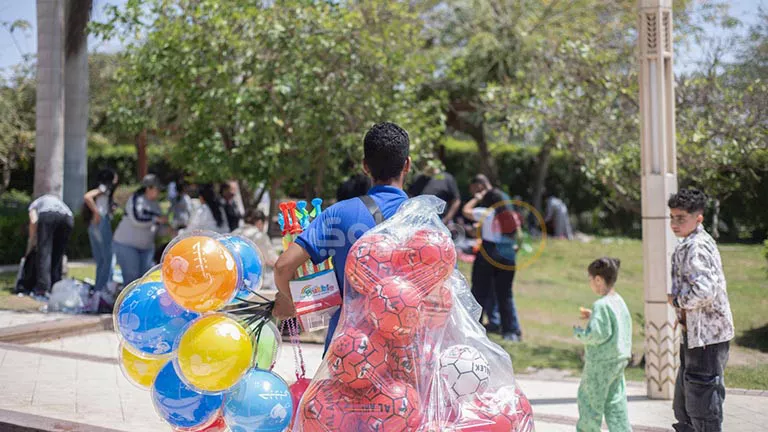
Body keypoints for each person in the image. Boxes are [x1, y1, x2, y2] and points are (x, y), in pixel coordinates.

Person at [272, 122, 412, 354]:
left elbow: (282, 267)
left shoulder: (339, 214)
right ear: (407, 164)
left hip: (348, 352)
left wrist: (292, 302)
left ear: (365, 166)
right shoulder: (425, 219)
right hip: (405, 352)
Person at [668, 188, 734, 432]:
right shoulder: (689, 243)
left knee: (702, 405)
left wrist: (677, 301)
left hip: (707, 339)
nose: (674, 223)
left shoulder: (696, 246)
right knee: (686, 405)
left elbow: (705, 292)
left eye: (681, 218)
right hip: (695, 336)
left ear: (699, 218)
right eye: (672, 217)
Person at [462, 174, 523, 341]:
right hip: (508, 253)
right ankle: (511, 331)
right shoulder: (510, 215)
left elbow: (466, 211)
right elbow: (518, 236)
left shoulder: (487, 213)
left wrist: (476, 199)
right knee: (505, 294)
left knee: (479, 291)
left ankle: (474, 325)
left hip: (489, 252)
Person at [574, 257, 632, 432]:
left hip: (601, 362)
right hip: (619, 358)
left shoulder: (600, 305)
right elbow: (616, 323)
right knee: (616, 401)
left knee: (589, 401)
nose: (590, 283)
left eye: (590, 279)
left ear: (598, 279)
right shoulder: (618, 301)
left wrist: (580, 334)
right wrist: (594, 316)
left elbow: (598, 334)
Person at [113, 174, 165, 286]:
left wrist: (169, 230)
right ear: (149, 188)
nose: (159, 192)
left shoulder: (156, 205)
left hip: (146, 248)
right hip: (127, 245)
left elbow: (158, 228)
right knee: (132, 280)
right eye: (157, 189)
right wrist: (156, 219)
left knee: (145, 280)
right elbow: (137, 219)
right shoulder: (136, 199)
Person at [27, 194, 74, 296]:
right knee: (58, 253)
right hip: (68, 218)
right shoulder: (57, 201)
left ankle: (43, 288)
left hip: (48, 216)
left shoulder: (34, 204)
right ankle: (56, 284)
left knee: (44, 252)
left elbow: (33, 221)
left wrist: (32, 241)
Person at [83, 169, 119, 294]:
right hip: (102, 222)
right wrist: (97, 212)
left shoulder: (102, 189)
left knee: (100, 260)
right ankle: (104, 289)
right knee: (108, 258)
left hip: (93, 225)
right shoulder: (104, 188)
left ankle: (98, 289)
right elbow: (87, 197)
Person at [233, 209, 279, 290]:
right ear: (260, 222)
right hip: (254, 281)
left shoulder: (234, 233)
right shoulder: (259, 236)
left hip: (235, 279)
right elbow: (272, 259)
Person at [407, 160, 461, 225]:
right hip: (419, 221)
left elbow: (456, 200)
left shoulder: (447, 178)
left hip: (440, 221)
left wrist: (446, 220)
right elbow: (410, 198)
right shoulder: (418, 178)